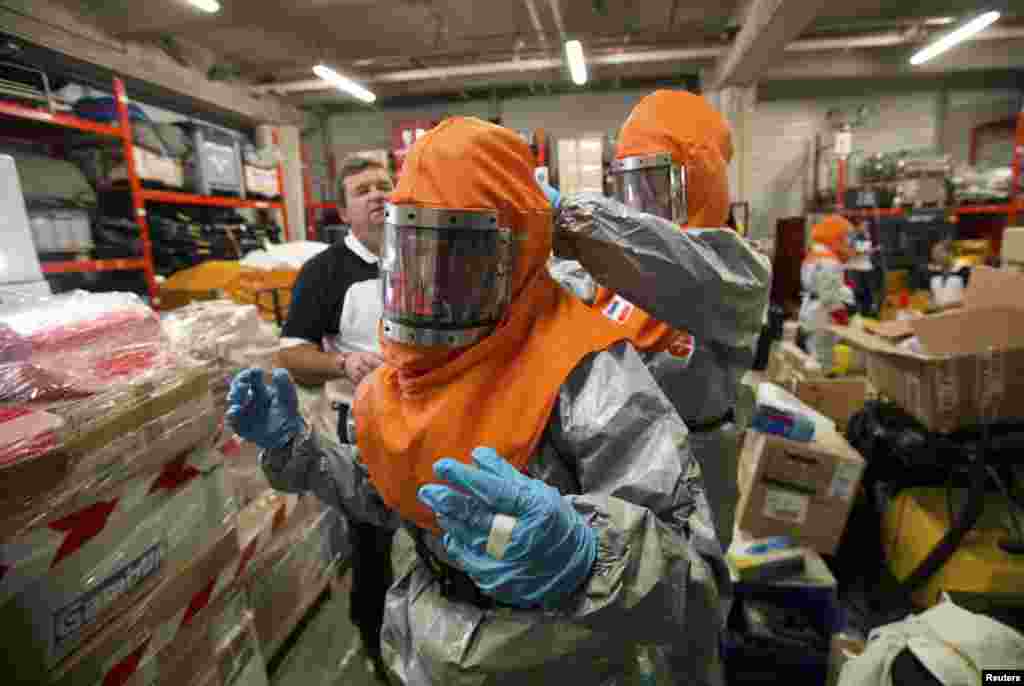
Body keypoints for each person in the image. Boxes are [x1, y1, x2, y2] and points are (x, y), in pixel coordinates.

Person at [227, 116, 758, 685]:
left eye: (460, 258)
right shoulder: (410, 373)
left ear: (516, 253)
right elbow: (397, 498)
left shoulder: (588, 374)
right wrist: (301, 451)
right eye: (416, 256)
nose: (433, 288)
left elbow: (697, 582)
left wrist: (589, 556)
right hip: (424, 655)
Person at [545, 90, 771, 551]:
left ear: (705, 182)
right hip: (605, 477)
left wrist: (567, 217)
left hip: (696, 478)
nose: (643, 205)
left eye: (658, 185)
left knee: (692, 601)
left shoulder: (735, 272)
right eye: (633, 186)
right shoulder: (601, 267)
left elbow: (673, 267)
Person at [276, 154, 394, 681]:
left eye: (385, 185)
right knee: (373, 545)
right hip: (366, 426)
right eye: (363, 190)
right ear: (346, 211)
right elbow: (293, 354)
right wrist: (343, 361)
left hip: (439, 419)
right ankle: (377, 649)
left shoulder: (423, 254)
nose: (378, 195)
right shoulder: (325, 273)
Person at [798, 214, 856, 372]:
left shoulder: (816, 253)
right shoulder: (829, 260)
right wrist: (843, 318)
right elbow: (829, 296)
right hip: (821, 315)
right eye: (845, 238)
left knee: (812, 356)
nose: (848, 243)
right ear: (836, 236)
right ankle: (819, 393)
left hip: (811, 309)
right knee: (821, 361)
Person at [846, 220, 877, 317]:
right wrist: (868, 251)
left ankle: (866, 314)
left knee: (867, 293)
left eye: (867, 226)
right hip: (856, 269)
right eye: (864, 226)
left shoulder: (867, 236)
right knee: (856, 293)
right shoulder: (851, 237)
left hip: (866, 268)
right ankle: (854, 315)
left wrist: (871, 252)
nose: (866, 227)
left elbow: (867, 252)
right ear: (858, 226)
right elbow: (851, 252)